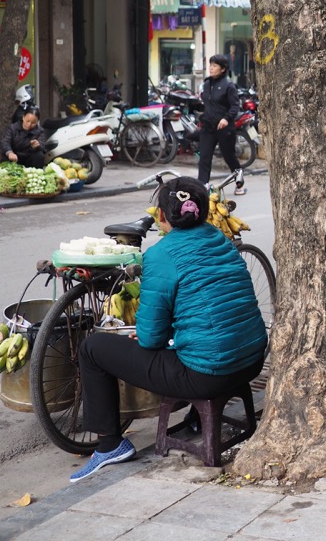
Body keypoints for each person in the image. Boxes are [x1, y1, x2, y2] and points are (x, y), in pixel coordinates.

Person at [71, 176, 268, 482]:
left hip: (210, 374)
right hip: (251, 360)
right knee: (196, 339)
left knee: (93, 348)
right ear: (201, 212)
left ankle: (110, 444)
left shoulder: (161, 254)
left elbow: (150, 339)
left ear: (161, 216)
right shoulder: (221, 240)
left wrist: (150, 332)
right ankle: (195, 417)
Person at [197, 54, 246, 195]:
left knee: (229, 157)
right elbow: (206, 104)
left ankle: (239, 182)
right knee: (204, 158)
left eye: (214, 66)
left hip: (224, 128)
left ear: (223, 69)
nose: (211, 68)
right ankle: (202, 188)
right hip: (208, 127)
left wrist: (226, 119)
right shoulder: (206, 84)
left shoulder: (229, 86)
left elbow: (235, 106)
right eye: (210, 65)